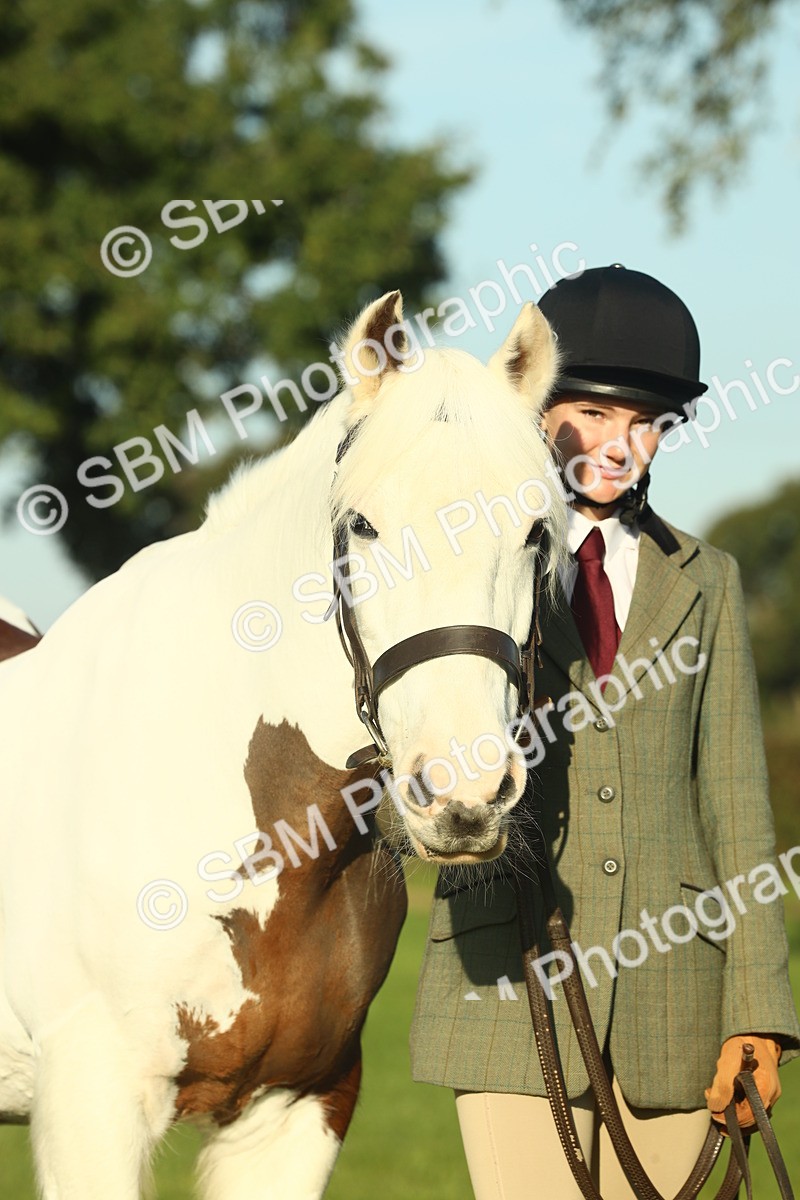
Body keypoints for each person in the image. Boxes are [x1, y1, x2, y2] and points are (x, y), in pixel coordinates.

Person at [409, 264, 800, 1200]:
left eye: (647, 422)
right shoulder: (476, 564)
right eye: (590, 413)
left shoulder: (707, 580)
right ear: (537, 410)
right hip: (513, 983)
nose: (620, 446)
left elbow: (739, 806)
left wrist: (760, 1012)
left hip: (681, 1000)